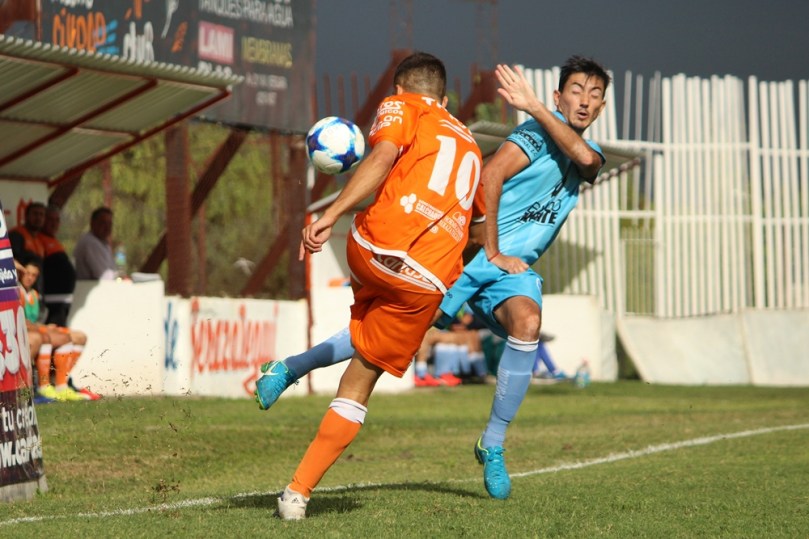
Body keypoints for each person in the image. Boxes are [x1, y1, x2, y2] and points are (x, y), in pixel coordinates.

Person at [255, 55, 610, 502]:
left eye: (595, 95)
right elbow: (492, 175)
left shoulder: (580, 148)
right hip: (468, 259)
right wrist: (495, 248)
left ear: (600, 107)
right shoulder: (534, 134)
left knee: (528, 324)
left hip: (509, 269)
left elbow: (588, 160)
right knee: (381, 341)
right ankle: (292, 368)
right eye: (576, 91)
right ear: (559, 97)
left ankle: (493, 445)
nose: (585, 101)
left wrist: (536, 106)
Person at [265, 51, 483, 520]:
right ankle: (297, 496)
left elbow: (382, 155)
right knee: (360, 381)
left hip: (372, 250)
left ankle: (289, 368)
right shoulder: (470, 143)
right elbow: (477, 224)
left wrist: (330, 214)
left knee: (367, 325)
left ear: (401, 90)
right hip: (425, 281)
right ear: (444, 99)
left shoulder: (401, 106)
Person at [18, 254, 99, 401]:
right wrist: (43, 327)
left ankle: (62, 383)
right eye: (27, 273)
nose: (30, 278)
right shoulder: (18, 292)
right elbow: (22, 321)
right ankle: (45, 386)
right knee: (49, 337)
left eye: (34, 275)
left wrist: (46, 326)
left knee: (78, 337)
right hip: (26, 332)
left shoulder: (34, 294)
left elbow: (36, 320)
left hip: (36, 328)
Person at [40, 204, 77, 327]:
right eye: (50, 219)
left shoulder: (54, 240)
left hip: (64, 299)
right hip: (51, 301)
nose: (54, 223)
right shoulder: (38, 239)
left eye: (57, 220)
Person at [9, 201, 46, 288]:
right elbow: (12, 261)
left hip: (35, 293)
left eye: (41, 215)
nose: (38, 218)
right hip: (20, 290)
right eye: (35, 214)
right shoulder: (17, 234)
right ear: (26, 216)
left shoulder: (39, 240)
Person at [74, 206, 117, 280]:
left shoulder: (103, 243)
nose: (107, 227)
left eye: (109, 224)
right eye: (103, 223)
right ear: (92, 223)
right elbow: (104, 276)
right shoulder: (90, 243)